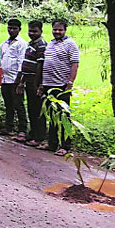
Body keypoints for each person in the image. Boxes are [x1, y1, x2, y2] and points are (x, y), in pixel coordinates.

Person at [37, 19, 80, 155]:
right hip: (49, 86)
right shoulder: (50, 44)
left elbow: (74, 64)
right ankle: (52, 143)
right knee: (52, 116)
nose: (57, 32)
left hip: (62, 86)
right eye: (55, 29)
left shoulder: (70, 44)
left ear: (65, 30)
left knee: (63, 117)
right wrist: (42, 85)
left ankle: (65, 146)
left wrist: (70, 82)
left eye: (60, 30)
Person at [16, 21, 48, 147]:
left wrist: (37, 83)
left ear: (41, 31)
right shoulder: (30, 44)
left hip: (35, 82)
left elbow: (40, 64)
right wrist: (22, 81)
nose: (32, 33)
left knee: (37, 110)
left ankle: (39, 137)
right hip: (28, 81)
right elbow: (26, 63)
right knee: (31, 109)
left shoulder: (41, 44)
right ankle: (32, 134)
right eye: (30, 31)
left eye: (35, 31)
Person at [0, 18, 27, 140]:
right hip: (5, 79)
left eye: (14, 28)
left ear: (19, 29)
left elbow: (21, 62)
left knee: (18, 105)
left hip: (15, 79)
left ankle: (22, 130)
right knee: (8, 104)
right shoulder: (4, 44)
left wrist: (19, 80)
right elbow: (0, 60)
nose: (11, 30)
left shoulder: (21, 44)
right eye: (10, 28)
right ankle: (8, 127)